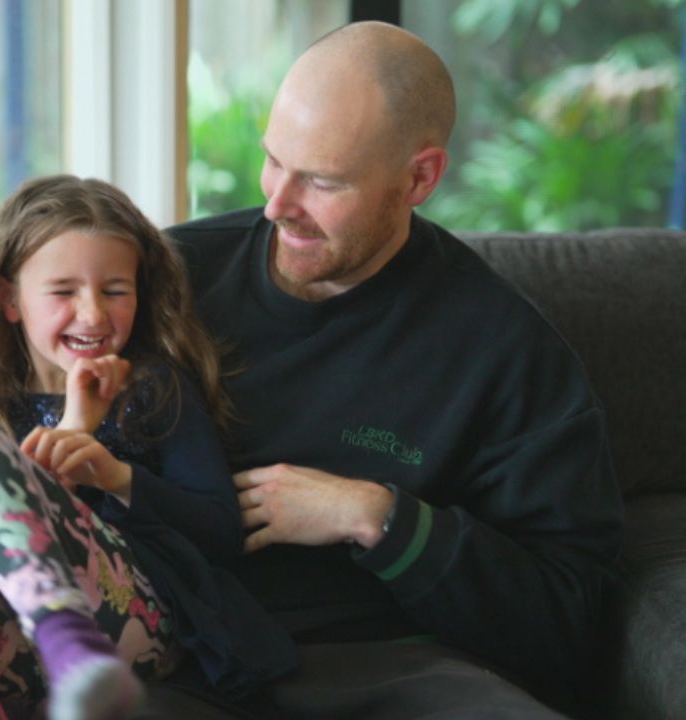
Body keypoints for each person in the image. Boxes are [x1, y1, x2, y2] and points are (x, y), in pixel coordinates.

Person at [168, 20, 624, 719]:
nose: (277, 205)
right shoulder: (168, 278)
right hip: (180, 650)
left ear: (420, 177)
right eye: (273, 160)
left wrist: (378, 517)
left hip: (394, 666)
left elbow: (573, 619)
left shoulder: (505, 352)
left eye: (322, 181)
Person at [0, 175, 296, 720]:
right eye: (64, 291)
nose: (93, 313)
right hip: (7, 625)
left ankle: (72, 646)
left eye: (114, 290)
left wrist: (117, 478)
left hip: (138, 613)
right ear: (10, 299)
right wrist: (64, 437)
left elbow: (221, 533)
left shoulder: (151, 388)